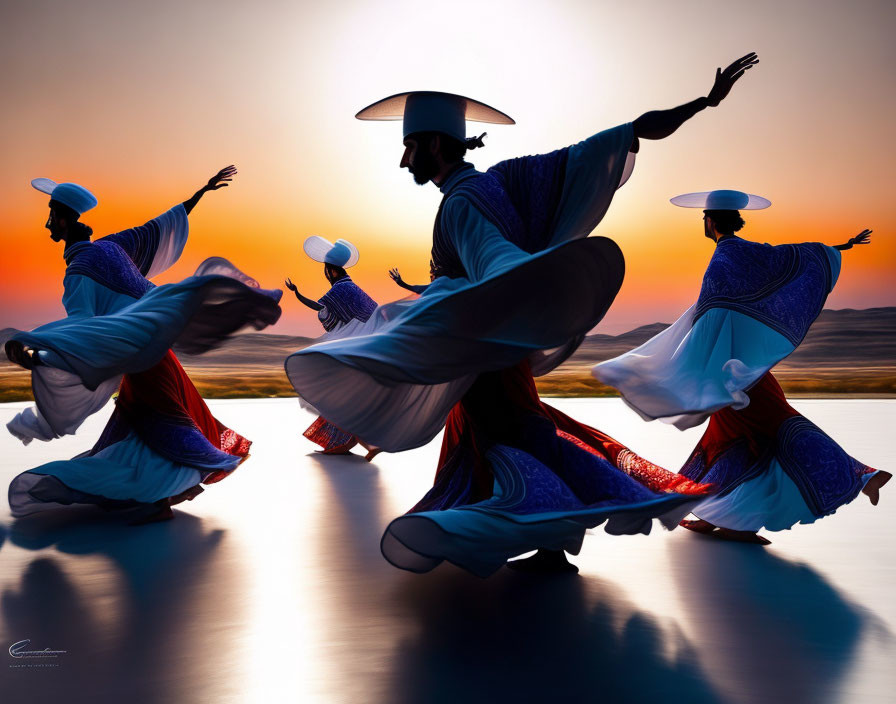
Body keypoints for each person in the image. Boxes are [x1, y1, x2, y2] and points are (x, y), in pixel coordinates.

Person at [286, 54, 758, 575]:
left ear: (436, 145)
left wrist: (499, 298)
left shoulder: (464, 203)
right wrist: (704, 103)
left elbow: (494, 262)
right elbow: (622, 136)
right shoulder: (504, 181)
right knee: (514, 434)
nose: (403, 161)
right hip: (492, 341)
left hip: (487, 345)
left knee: (512, 437)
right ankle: (544, 541)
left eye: (409, 147)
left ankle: (546, 532)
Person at [593, 189, 890, 544]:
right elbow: (798, 256)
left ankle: (861, 475)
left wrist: (688, 363)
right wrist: (838, 248)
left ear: (712, 221)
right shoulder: (751, 252)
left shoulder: (725, 257)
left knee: (777, 425)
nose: (703, 223)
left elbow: (709, 316)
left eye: (704, 218)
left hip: (732, 372)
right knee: (730, 439)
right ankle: (716, 513)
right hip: (740, 368)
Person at [6, 167, 283, 523]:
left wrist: (35, 350)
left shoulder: (77, 273)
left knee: (159, 424)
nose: (47, 225)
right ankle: (152, 495)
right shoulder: (112, 247)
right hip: (156, 353)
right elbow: (159, 226)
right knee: (145, 426)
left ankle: (155, 498)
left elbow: (82, 326)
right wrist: (201, 191)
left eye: (50, 217)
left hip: (143, 359)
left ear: (62, 220)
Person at [285, 236, 380, 459]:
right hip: (366, 349)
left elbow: (321, 309)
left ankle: (368, 442)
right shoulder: (354, 288)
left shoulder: (339, 290)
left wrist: (297, 293)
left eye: (326, 271)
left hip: (352, 351)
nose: (326, 275)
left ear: (333, 271)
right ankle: (361, 442)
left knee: (338, 394)